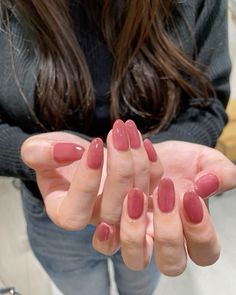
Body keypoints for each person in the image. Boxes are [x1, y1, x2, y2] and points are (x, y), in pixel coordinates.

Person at [0, 0, 236, 294]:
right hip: (53, 207)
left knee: (139, 286)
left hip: (149, 200)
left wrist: (154, 161)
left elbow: (208, 100)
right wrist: (30, 154)